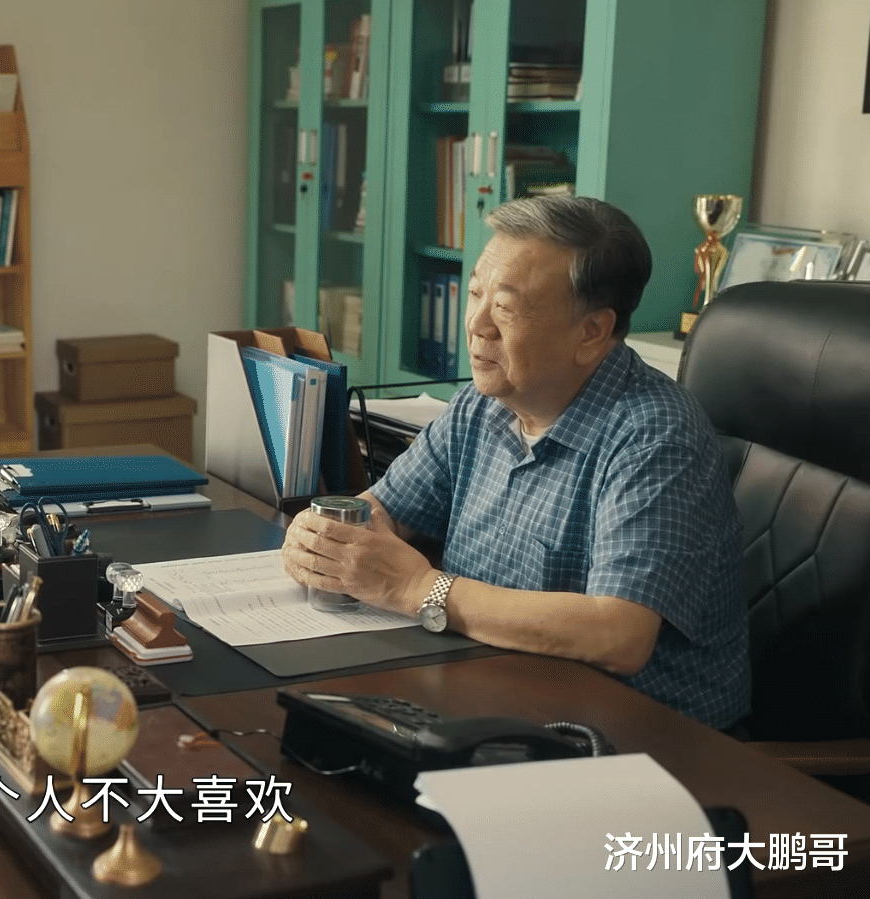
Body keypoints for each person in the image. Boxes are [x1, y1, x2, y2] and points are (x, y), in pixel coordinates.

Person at [282, 195, 750, 731]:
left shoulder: (655, 437)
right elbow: (379, 513)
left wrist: (419, 589)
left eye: (505, 307)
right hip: (489, 696)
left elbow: (618, 634)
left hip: (639, 739)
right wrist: (325, 540)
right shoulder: (483, 404)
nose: (477, 325)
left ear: (591, 332)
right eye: (475, 293)